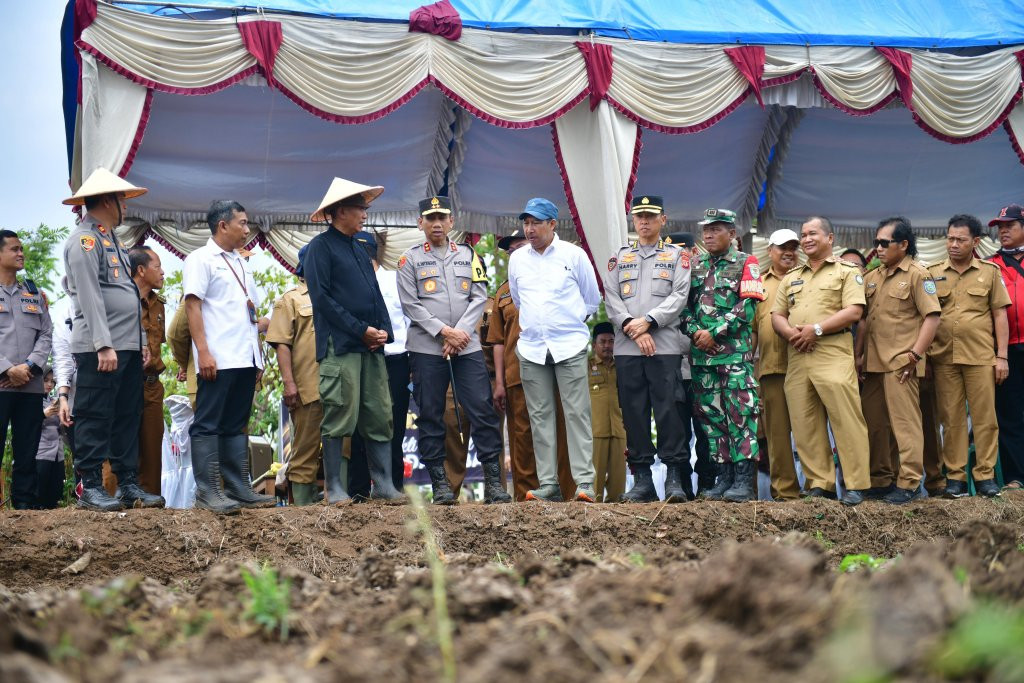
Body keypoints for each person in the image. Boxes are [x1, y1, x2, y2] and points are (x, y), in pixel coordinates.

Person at [397, 196, 510, 505]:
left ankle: (494, 485)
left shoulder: (469, 255)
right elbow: (410, 304)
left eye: (441, 218)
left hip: (467, 347)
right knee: (432, 416)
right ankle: (441, 485)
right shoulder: (409, 260)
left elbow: (478, 296)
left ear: (451, 222)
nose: (436, 223)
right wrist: (444, 332)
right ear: (420, 223)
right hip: (426, 349)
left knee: (482, 410)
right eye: (430, 218)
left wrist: (458, 333)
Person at [61, 168, 163, 511]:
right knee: (94, 414)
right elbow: (89, 294)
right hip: (100, 348)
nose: (124, 206)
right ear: (107, 200)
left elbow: (126, 295)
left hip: (127, 347)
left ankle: (128, 484)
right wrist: (103, 343)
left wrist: (141, 342)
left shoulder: (111, 239)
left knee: (126, 415)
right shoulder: (84, 240)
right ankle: (90, 485)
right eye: (120, 199)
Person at [304, 177, 404, 504]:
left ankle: (385, 486)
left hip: (371, 347)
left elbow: (375, 294)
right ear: (342, 210)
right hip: (340, 346)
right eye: (360, 208)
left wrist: (384, 331)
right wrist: (361, 329)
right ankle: (334, 487)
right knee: (339, 413)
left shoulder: (362, 247)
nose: (365, 214)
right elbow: (322, 300)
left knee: (379, 412)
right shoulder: (320, 248)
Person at [771, 217, 871, 506]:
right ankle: (819, 484)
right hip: (798, 355)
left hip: (832, 350)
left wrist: (816, 329)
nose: (806, 239)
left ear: (830, 238)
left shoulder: (846, 272)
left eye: (813, 233)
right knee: (805, 423)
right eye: (803, 234)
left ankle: (856, 484)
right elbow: (777, 315)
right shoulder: (791, 277)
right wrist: (791, 333)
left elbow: (854, 311)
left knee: (847, 420)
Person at [183, 200, 274, 513]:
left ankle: (238, 488)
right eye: (243, 223)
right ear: (223, 225)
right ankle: (208, 491)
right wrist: (203, 352)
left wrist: (257, 359)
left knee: (236, 424)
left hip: (245, 357)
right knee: (208, 423)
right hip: (218, 357)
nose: (248, 230)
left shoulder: (241, 262)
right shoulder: (200, 258)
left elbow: (251, 315)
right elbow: (192, 307)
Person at [508, 198, 602, 502]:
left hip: (569, 346)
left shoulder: (574, 255)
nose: (530, 229)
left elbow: (592, 300)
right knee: (539, 415)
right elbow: (518, 300)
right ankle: (548, 483)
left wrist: (567, 324)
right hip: (533, 348)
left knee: (577, 414)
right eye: (526, 223)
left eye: (536, 223)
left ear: (552, 224)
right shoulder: (517, 259)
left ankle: (585, 482)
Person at [604, 195, 692, 503]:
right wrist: (633, 325)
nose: (644, 221)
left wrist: (650, 322)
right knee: (634, 413)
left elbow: (680, 295)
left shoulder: (677, 257)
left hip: (664, 346)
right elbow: (611, 297)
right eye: (639, 216)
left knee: (669, 410)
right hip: (628, 347)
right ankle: (641, 479)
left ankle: (674, 477)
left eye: (651, 216)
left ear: (663, 220)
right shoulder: (619, 257)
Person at [855, 216, 941, 504]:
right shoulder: (871, 277)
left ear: (903, 245)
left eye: (884, 243)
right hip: (873, 363)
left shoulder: (918, 274)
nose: (877, 248)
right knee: (875, 424)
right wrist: (858, 356)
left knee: (906, 425)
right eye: (875, 242)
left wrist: (916, 354)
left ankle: (909, 482)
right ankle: (881, 480)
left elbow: (932, 317)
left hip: (901, 362)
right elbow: (864, 322)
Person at [682, 208, 764, 502]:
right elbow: (684, 309)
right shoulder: (694, 265)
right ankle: (724, 476)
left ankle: (743, 480)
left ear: (732, 234)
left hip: (734, 358)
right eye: (706, 229)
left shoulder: (747, 262)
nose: (708, 234)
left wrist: (713, 332)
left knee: (740, 416)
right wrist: (695, 333)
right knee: (712, 418)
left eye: (716, 229)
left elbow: (748, 307)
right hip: (703, 359)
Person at [488, 230, 576, 501]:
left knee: (560, 433)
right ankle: (527, 497)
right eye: (510, 249)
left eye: (521, 246)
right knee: (522, 437)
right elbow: (498, 341)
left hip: (555, 369)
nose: (515, 252)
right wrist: (500, 383)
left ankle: (566, 495)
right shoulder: (503, 293)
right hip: (517, 375)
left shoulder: (555, 279)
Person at [927, 214, 1009, 498]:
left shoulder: (989, 272)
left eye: (960, 240)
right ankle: (956, 479)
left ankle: (985, 476)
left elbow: (1000, 315)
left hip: (980, 357)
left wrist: (1002, 357)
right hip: (944, 358)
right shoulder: (933, 272)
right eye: (950, 238)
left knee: (986, 419)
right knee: (951, 420)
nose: (953, 244)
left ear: (975, 241)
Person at [102, 245, 166, 497]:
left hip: (151, 385)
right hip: (121, 381)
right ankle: (110, 508)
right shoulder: (118, 301)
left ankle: (149, 514)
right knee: (118, 445)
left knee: (152, 451)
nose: (163, 272)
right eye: (158, 266)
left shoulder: (158, 305)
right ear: (141, 270)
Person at [266, 244, 324, 505]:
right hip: (307, 387)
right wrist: (289, 384)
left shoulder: (336, 294)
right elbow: (281, 344)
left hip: (339, 386)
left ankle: (336, 505)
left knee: (342, 447)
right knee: (304, 450)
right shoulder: (290, 299)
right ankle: (304, 509)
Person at [0, 229, 53, 509]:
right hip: (2, 385)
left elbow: (46, 333)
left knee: (27, 451)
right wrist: (7, 370)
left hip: (30, 386)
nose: (21, 253)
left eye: (22, 249)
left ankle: (24, 510)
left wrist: (30, 367)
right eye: (14, 249)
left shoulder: (34, 293)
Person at [667, 232, 714, 496]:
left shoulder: (704, 282)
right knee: (676, 431)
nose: (682, 258)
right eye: (675, 252)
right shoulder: (663, 286)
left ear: (694, 255)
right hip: (672, 369)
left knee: (707, 432)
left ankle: (707, 483)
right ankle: (681, 486)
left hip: (703, 368)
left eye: (686, 252)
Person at [756, 228, 801, 501]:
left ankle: (819, 487)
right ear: (770, 250)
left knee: (812, 432)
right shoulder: (758, 284)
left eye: (793, 247)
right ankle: (785, 493)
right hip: (771, 368)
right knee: (777, 435)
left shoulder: (808, 278)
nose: (789, 252)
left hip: (807, 365)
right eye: (783, 247)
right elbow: (751, 330)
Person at [987, 204, 1024, 491]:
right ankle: (1016, 478)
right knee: (1009, 415)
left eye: (1009, 225)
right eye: (1000, 226)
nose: (1003, 230)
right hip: (1006, 349)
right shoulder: (990, 264)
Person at [588, 322, 626, 502]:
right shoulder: (585, 367)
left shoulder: (623, 367)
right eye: (602, 341)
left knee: (618, 484)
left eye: (611, 341)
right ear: (594, 344)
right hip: (595, 431)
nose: (607, 346)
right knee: (594, 483)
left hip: (620, 430)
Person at [35, 369, 65, 508]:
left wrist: (62, 416)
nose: (49, 384)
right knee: (39, 492)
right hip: (40, 452)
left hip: (57, 453)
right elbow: (24, 426)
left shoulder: (54, 400)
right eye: (45, 380)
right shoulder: (30, 401)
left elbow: (63, 429)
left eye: (52, 381)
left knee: (55, 491)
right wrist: (43, 414)